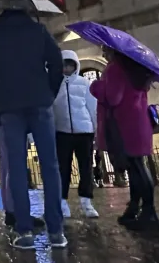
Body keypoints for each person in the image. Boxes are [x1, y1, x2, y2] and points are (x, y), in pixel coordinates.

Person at [0, 9, 67, 250]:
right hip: (40, 101)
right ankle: (56, 230)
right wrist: (49, 92)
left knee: (17, 167)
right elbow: (57, 62)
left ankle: (24, 230)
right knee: (50, 165)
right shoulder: (38, 30)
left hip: (9, 105)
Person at [90, 48, 159, 232]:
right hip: (138, 122)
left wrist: (96, 86)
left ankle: (149, 213)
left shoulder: (115, 68)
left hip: (124, 124)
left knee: (137, 168)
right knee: (137, 167)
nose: (104, 54)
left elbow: (113, 98)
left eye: (106, 50)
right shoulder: (135, 68)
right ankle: (136, 209)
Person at [52, 50, 99, 219]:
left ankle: (86, 201)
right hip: (62, 132)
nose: (67, 68)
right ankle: (63, 201)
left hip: (84, 131)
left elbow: (92, 106)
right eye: (64, 65)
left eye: (70, 65)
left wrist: (96, 129)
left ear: (75, 66)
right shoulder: (54, 84)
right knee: (63, 168)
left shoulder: (84, 82)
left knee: (86, 168)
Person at [0, 113, 45, 230]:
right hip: (9, 120)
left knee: (8, 167)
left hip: (6, 121)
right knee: (12, 167)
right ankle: (16, 212)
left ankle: (12, 211)